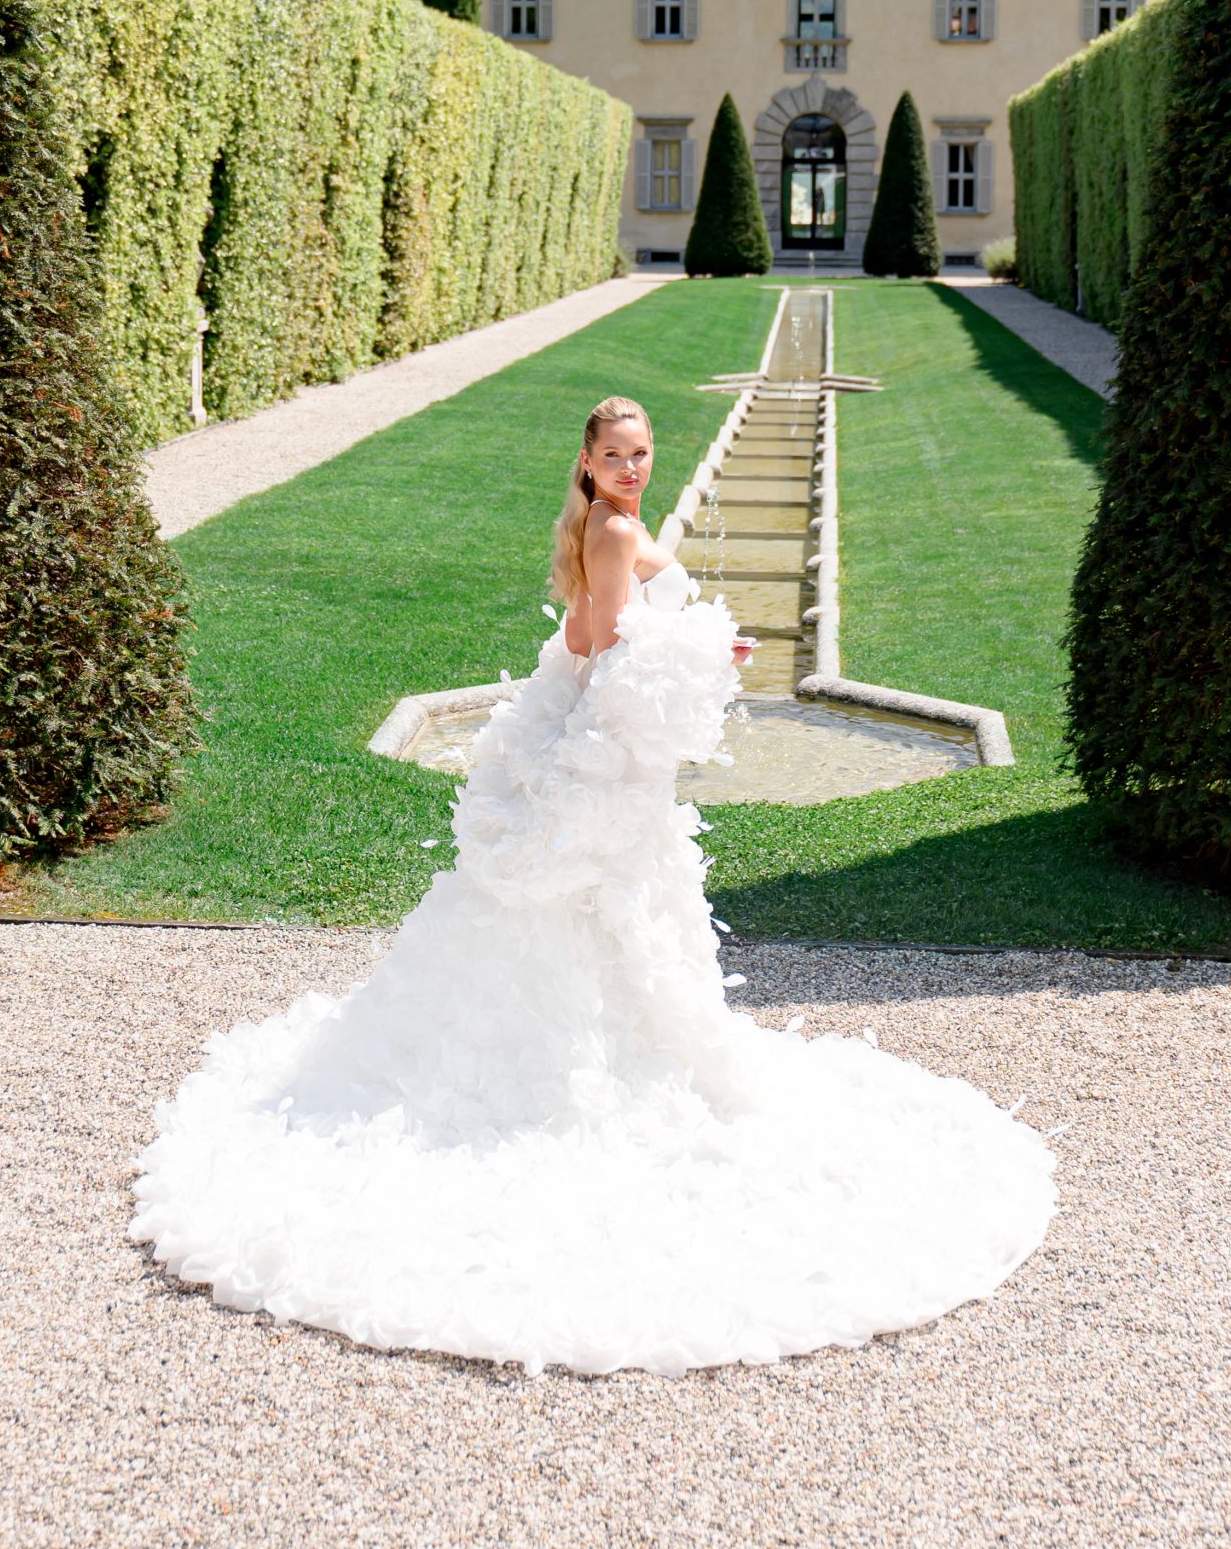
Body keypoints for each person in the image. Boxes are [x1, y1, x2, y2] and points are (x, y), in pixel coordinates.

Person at [132, 393, 1055, 1374]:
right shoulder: (613, 532)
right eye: (616, 452)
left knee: (595, 921)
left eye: (643, 451)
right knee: (590, 911)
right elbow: (615, 661)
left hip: (585, 738)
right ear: (587, 457)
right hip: (592, 754)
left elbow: (604, 640)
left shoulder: (607, 523)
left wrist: (700, 653)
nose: (632, 466)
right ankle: (582, 1078)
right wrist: (698, 663)